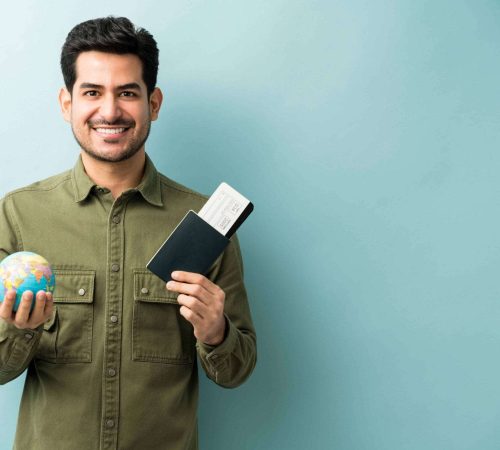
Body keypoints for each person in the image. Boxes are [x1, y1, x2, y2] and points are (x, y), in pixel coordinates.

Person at [0, 16, 256, 450]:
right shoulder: (19, 213)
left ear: (153, 103)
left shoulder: (207, 223)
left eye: (128, 93)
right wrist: (20, 329)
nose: (110, 111)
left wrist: (216, 332)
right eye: (92, 92)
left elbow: (235, 371)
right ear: (67, 104)